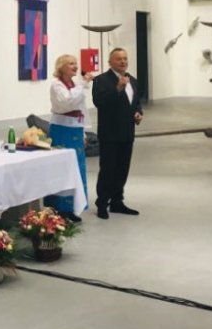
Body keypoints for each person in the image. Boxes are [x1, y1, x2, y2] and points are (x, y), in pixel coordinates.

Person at [92, 47, 143, 219]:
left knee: (122, 169)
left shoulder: (132, 80)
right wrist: (117, 88)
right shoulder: (101, 80)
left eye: (125, 58)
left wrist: (138, 113)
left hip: (127, 132)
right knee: (108, 169)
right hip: (110, 133)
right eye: (119, 59)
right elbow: (99, 102)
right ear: (110, 62)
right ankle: (102, 203)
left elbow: (136, 102)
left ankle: (117, 202)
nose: (123, 62)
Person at [44, 54, 93, 223]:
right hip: (62, 130)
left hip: (75, 129)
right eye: (71, 64)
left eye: (75, 63)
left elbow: (81, 108)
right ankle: (58, 208)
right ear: (62, 67)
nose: (75, 66)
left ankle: (71, 207)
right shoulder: (57, 85)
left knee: (76, 168)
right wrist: (83, 85)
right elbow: (67, 102)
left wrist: (83, 131)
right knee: (62, 168)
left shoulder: (74, 84)